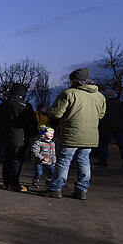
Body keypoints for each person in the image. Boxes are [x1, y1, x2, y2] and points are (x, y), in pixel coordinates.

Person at [39, 68, 106, 200]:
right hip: (90, 135)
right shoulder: (99, 96)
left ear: (73, 81)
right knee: (84, 162)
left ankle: (56, 189)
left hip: (70, 134)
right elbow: (101, 115)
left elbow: (56, 114)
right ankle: (81, 190)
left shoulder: (68, 94)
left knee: (64, 161)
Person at [0, 84, 38, 192]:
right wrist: (33, 134)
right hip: (19, 137)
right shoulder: (24, 106)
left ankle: (6, 183)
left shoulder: (1, 105)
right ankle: (13, 184)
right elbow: (31, 123)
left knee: (7, 160)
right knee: (17, 160)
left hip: (4, 136)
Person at [96, 95, 123, 168]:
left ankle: (103, 160)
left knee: (103, 145)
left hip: (106, 128)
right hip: (120, 128)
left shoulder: (103, 105)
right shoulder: (122, 105)